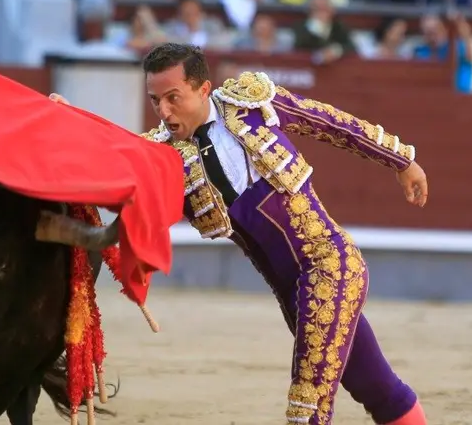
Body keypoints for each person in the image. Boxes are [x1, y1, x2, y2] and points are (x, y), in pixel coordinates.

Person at [50, 42, 428, 425]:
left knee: (307, 405)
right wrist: (71, 123)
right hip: (291, 291)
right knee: (374, 385)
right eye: (155, 100)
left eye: (173, 97)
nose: (164, 111)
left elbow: (330, 123)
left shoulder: (252, 105)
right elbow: (115, 151)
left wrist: (401, 159)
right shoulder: (165, 156)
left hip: (329, 265)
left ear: (202, 89)